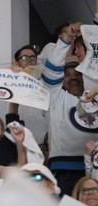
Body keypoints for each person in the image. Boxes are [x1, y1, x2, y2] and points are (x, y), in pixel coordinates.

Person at [41, 22, 98, 196]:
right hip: (65, 172)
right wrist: (65, 41)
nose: (73, 78)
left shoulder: (95, 95)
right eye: (67, 74)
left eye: (78, 73)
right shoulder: (55, 98)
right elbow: (51, 73)